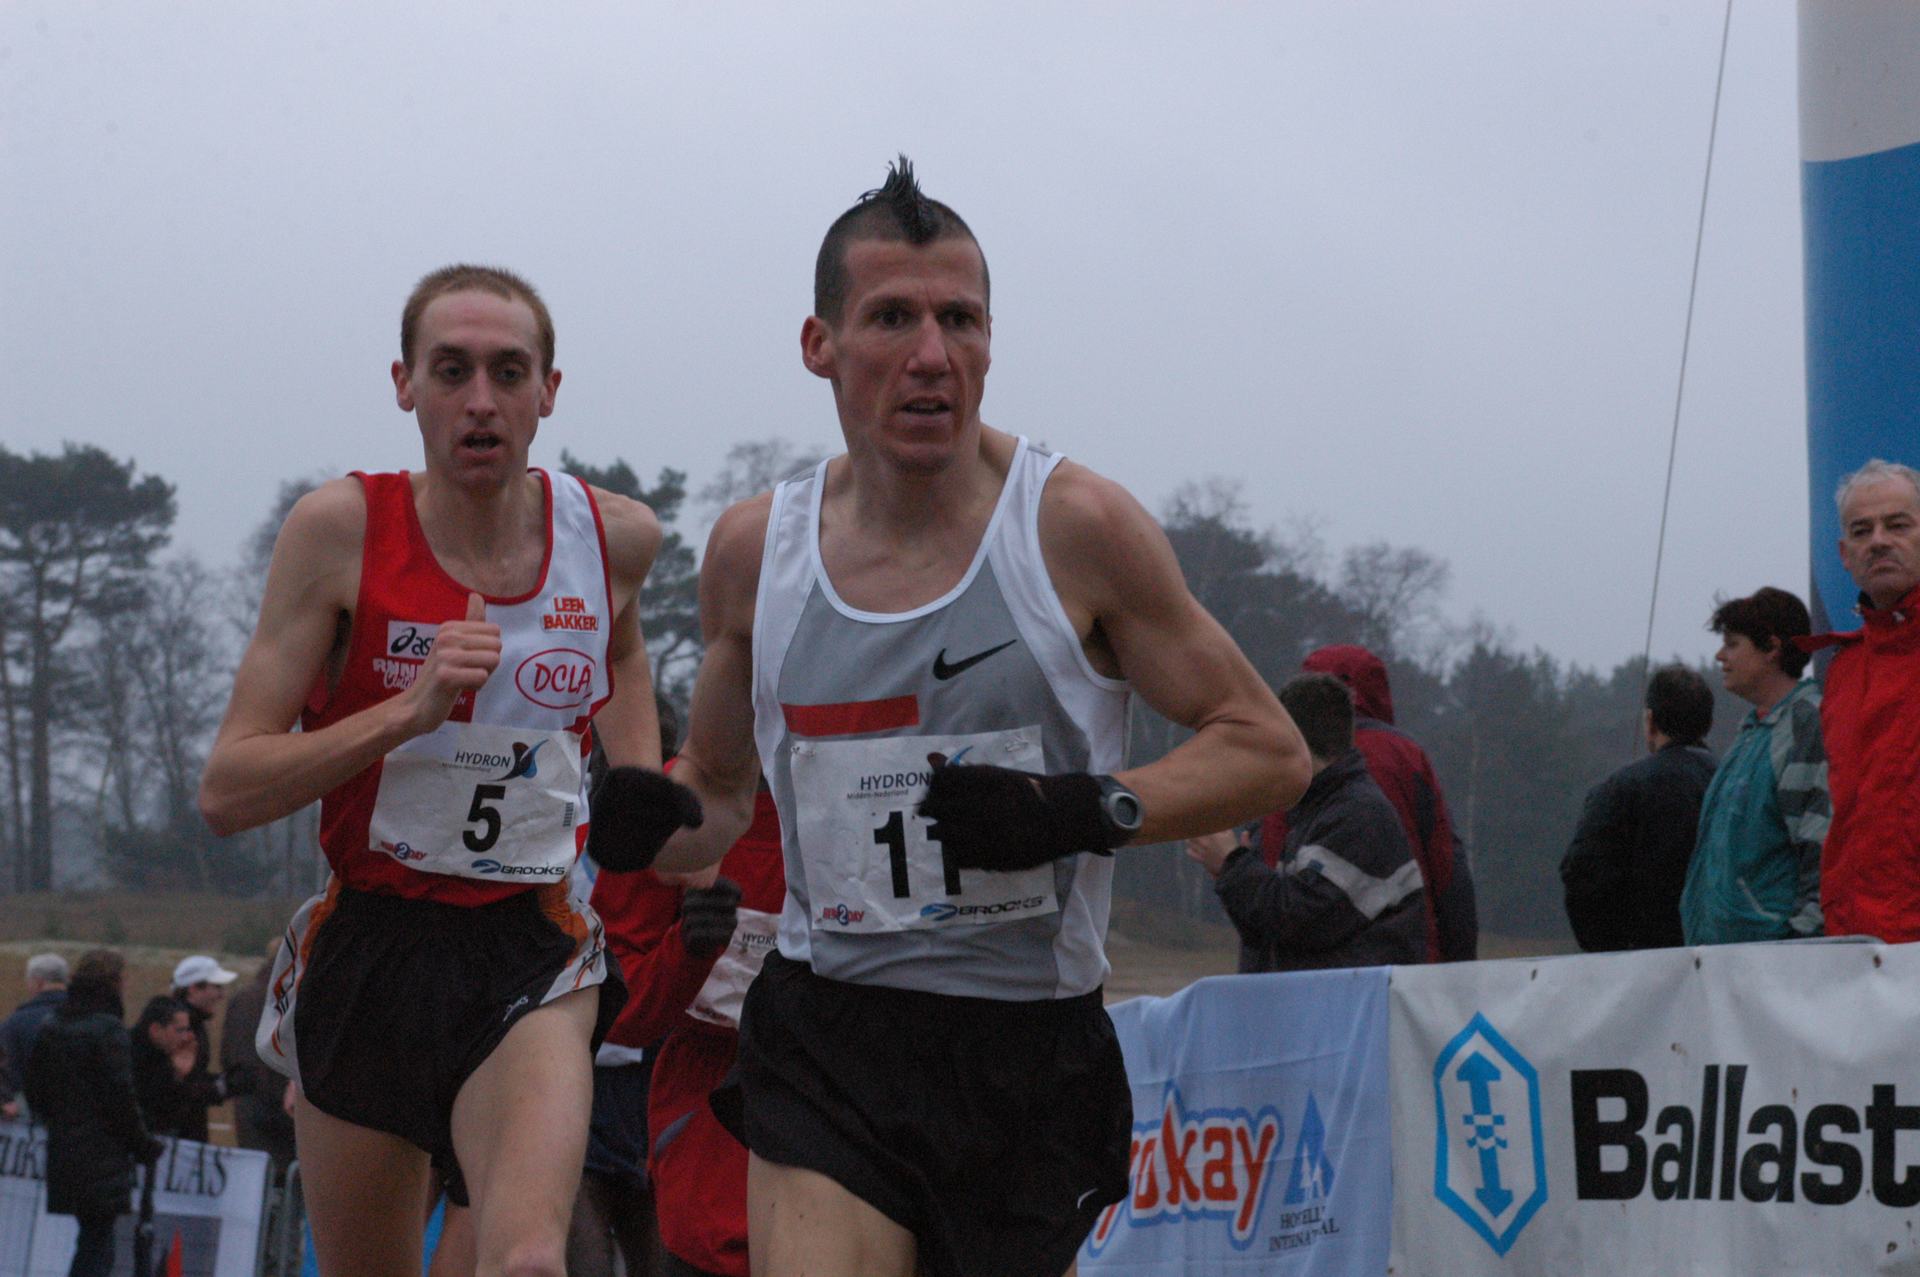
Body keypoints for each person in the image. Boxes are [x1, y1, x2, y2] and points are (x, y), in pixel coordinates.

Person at [654, 158, 1308, 1277]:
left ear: (992, 342)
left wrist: (1078, 808)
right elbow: (713, 798)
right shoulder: (757, 551)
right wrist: (639, 820)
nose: (931, 355)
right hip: (829, 1028)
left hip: (1023, 1051)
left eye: (959, 320)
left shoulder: (1075, 528)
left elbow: (1269, 750)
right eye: (892, 318)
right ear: (819, 344)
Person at [197, 264, 697, 1277]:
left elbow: (625, 643)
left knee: (528, 1260)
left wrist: (638, 768)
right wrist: (406, 712)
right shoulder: (340, 531)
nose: (480, 400)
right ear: (405, 385)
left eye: (508, 372)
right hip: (370, 947)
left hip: (530, 943)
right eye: (452, 370)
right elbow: (227, 789)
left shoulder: (615, 536)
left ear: (548, 391)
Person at [594, 783, 782, 1277]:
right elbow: (614, 1004)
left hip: (859, 1111)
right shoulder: (672, 805)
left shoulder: (886, 786)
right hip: (709, 1134)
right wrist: (687, 951)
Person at [1188, 673, 1426, 970]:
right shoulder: (1309, 810)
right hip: (1329, 994)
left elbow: (1302, 921)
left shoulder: (1359, 815)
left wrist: (1232, 865)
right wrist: (1231, 873)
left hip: (1353, 997)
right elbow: (1268, 931)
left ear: (1293, 742)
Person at [1258, 644, 1477, 961]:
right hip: (1408, 962)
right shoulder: (1408, 757)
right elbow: (1448, 870)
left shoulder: (1289, 761)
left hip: (1307, 969)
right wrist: (1459, 967)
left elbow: (1269, 866)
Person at [1806, 459, 1920, 942]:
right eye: (1862, 530)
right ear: (1845, 554)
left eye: (1898, 525)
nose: (1878, 541)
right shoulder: (1843, 671)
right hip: (1857, 949)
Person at [1680, 587, 1829, 944]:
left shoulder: (1806, 724)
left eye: (1732, 644)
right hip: (1724, 955)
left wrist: (1801, 944)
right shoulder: (1752, 732)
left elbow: (1820, 842)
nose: (1720, 656)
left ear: (1772, 648)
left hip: (1772, 957)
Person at [22, 949, 161, 1277]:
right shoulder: (109, 1030)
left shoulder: (53, 1024)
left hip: (64, 1148)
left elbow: (35, 1089)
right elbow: (120, 1098)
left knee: (92, 1240)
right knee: (98, 1245)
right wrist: (143, 1144)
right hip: (103, 1153)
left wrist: (58, 1121)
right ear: (115, 983)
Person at [1559, 664, 1718, 950]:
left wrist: (1612, 952)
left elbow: (1583, 877)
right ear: (1707, 724)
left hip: (1641, 960)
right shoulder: (1733, 783)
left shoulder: (1618, 790)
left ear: (1650, 721)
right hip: (1728, 957)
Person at [220, 946, 298, 1173]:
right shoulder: (289, 1000)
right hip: (281, 1109)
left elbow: (226, 1054)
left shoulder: (243, 996)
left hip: (247, 1104)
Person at [164, 954, 241, 1142]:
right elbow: (171, 1087)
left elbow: (192, 1076)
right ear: (193, 989)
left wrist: (223, 1081)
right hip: (175, 1134)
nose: (222, 995)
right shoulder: (180, 1026)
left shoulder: (194, 1022)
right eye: (217, 987)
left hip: (184, 1130)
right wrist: (222, 1087)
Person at [0, 951, 68, 1118]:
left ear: (37, 982)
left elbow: (6, 1069)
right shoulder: (92, 1018)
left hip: (29, 1113)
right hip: (80, 1114)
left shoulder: (15, 1023)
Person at [130, 995, 204, 1138]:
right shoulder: (126, 1056)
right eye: (180, 1030)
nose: (186, 1037)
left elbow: (173, 1115)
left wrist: (179, 1076)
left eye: (187, 1030)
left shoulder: (167, 1053)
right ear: (156, 1029)